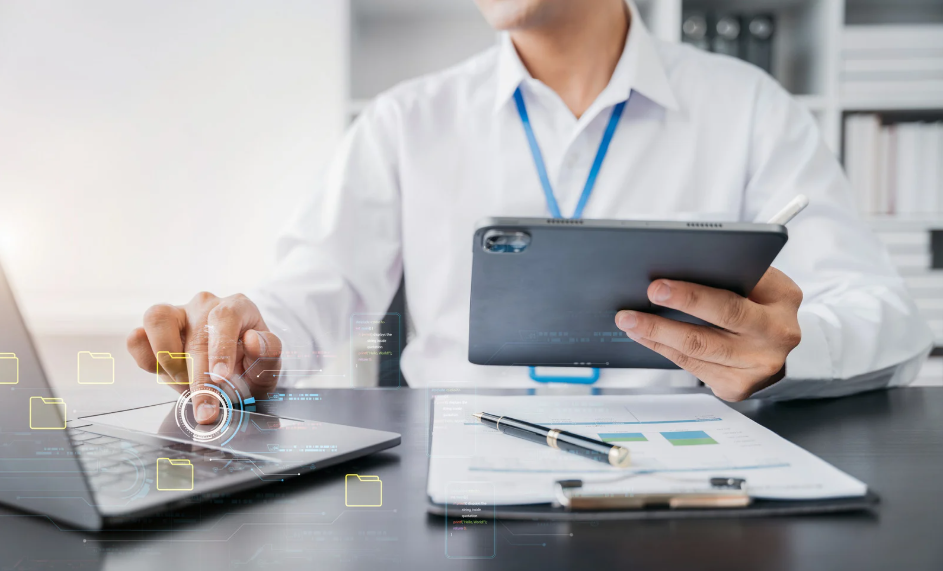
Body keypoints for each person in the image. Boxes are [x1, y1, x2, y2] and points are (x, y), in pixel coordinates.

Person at [126, 0, 933, 424]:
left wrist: (788, 347)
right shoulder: (405, 121)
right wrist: (245, 347)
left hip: (690, 473)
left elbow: (888, 318)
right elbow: (309, 296)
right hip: (453, 481)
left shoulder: (748, 107)